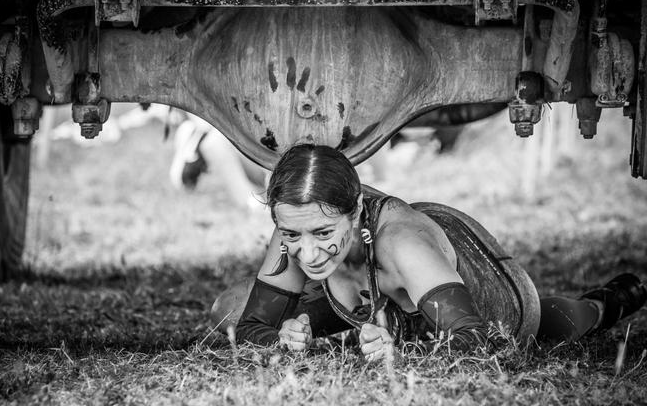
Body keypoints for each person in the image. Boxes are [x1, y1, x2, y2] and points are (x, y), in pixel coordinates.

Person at [210, 144, 646, 361]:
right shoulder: (298, 215)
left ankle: (610, 301)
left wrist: (399, 355)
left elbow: (477, 341)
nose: (306, 253)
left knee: (551, 326)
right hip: (378, 297)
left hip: (491, 299)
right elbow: (249, 326)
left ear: (357, 208)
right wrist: (284, 339)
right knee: (226, 309)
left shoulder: (401, 242)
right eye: (291, 235)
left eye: (323, 232)